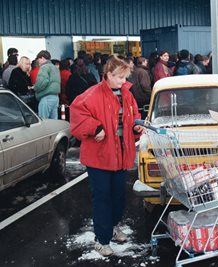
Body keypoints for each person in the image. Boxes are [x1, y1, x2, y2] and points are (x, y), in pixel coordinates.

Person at [69, 55, 143, 257]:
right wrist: (95, 127)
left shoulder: (127, 94)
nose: (123, 81)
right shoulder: (92, 94)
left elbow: (134, 116)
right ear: (108, 74)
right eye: (119, 77)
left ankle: (112, 227)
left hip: (120, 154)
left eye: (125, 77)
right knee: (102, 198)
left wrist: (137, 127)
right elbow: (76, 116)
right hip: (99, 156)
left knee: (118, 197)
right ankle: (101, 240)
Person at [34, 50, 61, 119]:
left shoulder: (44, 67)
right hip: (55, 98)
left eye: (38, 59)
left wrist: (35, 88)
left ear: (42, 58)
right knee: (54, 123)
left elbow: (42, 82)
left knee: (44, 122)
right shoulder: (55, 68)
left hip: (46, 98)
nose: (38, 62)